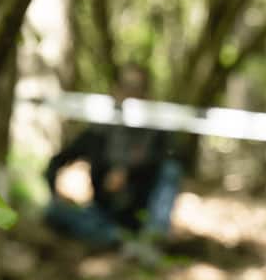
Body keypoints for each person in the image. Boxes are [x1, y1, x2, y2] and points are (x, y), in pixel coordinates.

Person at [42, 63, 185, 252]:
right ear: (115, 90)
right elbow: (56, 162)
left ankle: (152, 240)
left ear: (146, 94)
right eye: (126, 86)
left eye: (137, 88)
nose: (131, 94)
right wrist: (57, 195)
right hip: (104, 213)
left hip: (141, 215)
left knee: (171, 170)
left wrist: (129, 172)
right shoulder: (99, 132)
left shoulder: (156, 133)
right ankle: (118, 241)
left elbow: (175, 163)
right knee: (55, 213)